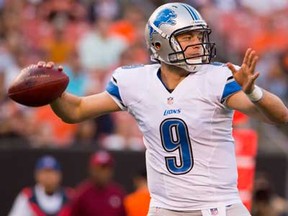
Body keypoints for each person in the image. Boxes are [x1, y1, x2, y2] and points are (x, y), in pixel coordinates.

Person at [34, 2, 288, 215]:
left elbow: (279, 115)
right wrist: (53, 91)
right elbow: (75, 110)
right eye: (187, 36)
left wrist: (253, 92)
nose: (197, 44)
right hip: (165, 209)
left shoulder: (216, 78)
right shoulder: (135, 82)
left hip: (219, 207)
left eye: (199, 36)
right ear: (158, 45)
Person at [8, 155, 73, 216]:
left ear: (59, 175)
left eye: (52, 172)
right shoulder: (28, 196)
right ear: (37, 175)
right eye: (45, 172)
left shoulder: (70, 196)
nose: (48, 176)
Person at [70, 150, 126, 216]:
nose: (103, 173)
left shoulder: (118, 193)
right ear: (91, 170)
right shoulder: (82, 193)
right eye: (99, 169)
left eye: (106, 168)